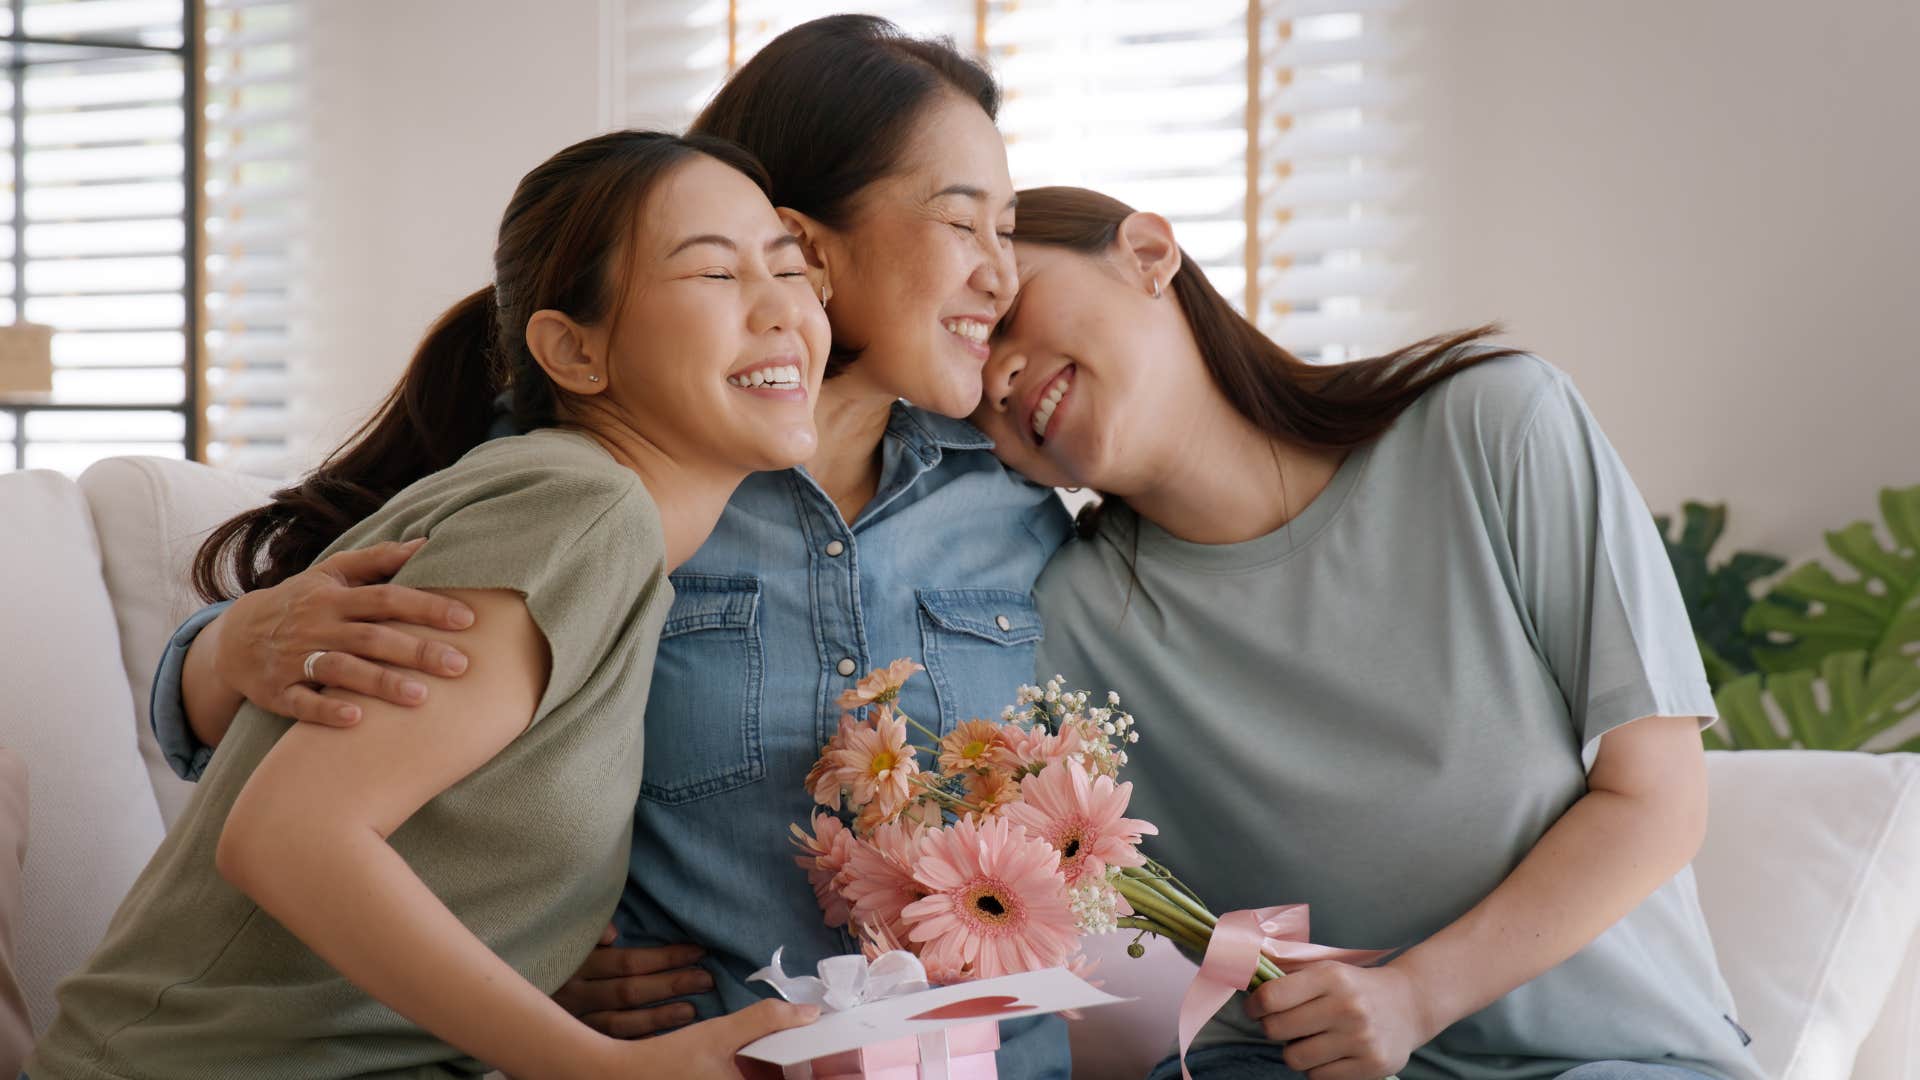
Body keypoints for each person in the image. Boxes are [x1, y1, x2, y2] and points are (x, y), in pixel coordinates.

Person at [140, 17, 1073, 1077]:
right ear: (812, 245)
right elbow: (325, 730)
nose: (1002, 276)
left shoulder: (1016, 499)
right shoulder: (613, 469)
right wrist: (226, 652)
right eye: (965, 225)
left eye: (1009, 228)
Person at [25, 130, 829, 1079]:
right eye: (715, 275)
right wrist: (609, 1070)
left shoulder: (593, 521)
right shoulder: (580, 509)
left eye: (789, 268)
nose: (783, 310)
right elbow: (289, 839)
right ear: (574, 352)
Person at [966, 187, 1767, 1080]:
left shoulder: (1494, 428)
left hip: (1613, 1060)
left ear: (1149, 254)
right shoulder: (1054, 627)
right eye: (965, 375)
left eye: (1008, 308)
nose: (994, 377)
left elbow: (1657, 802)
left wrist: (1414, 997)